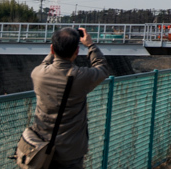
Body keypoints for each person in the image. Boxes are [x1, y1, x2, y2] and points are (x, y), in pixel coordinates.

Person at [18, 27, 109, 169]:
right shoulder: (82, 77)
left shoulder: (38, 74)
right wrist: (91, 45)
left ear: (52, 49)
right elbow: (102, 68)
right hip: (70, 151)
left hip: (40, 147)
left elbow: (45, 64)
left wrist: (53, 51)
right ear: (76, 51)